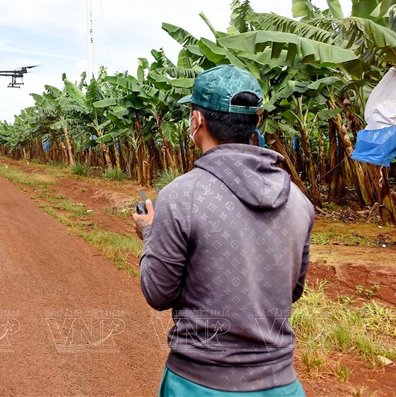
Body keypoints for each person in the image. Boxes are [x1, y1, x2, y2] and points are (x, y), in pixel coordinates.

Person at [132, 65, 314, 396]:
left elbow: (158, 293)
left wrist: (149, 232)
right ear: (255, 121)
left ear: (197, 120)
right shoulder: (298, 201)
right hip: (282, 385)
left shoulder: (180, 195)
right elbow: (292, 291)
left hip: (199, 384)